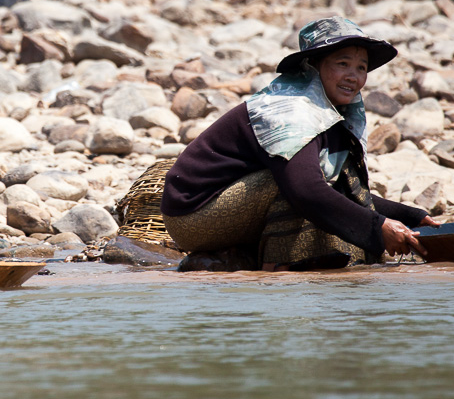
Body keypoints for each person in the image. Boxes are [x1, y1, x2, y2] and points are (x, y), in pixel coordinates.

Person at [160, 16, 438, 272]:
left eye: (361, 67)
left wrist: (412, 217)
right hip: (192, 217)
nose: (354, 77)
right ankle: (280, 269)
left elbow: (344, 192)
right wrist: (378, 227)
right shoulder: (290, 112)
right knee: (293, 186)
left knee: (321, 194)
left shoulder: (331, 117)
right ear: (313, 67)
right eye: (342, 64)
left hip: (234, 204)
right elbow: (306, 190)